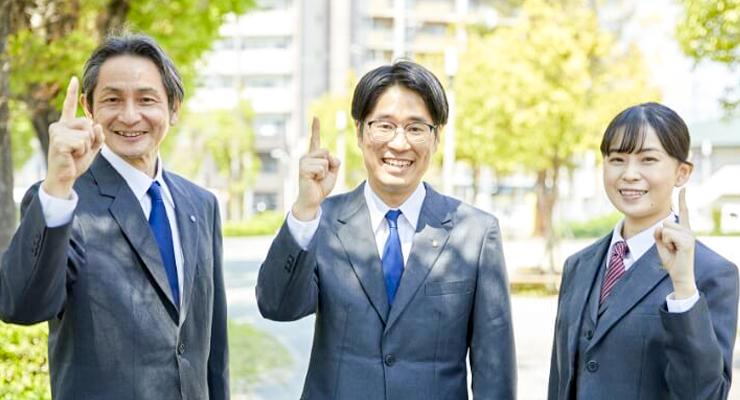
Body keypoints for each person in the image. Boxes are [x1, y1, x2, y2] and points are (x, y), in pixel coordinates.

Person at [256, 60, 516, 399]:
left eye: (415, 128)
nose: (399, 143)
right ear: (360, 132)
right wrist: (305, 209)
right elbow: (276, 306)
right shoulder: (323, 221)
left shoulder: (475, 233)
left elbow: (494, 371)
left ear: (436, 138)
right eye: (384, 126)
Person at [0, 33, 229, 399]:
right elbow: (21, 306)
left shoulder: (200, 205)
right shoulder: (64, 201)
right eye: (112, 99)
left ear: (173, 108)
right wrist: (58, 186)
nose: (130, 115)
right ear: (89, 109)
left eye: (146, 99)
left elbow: (213, 348)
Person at [548, 102, 738, 399]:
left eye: (648, 159)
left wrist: (684, 287)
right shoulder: (579, 265)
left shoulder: (711, 273)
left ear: (682, 172)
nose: (629, 174)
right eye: (617, 159)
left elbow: (705, 394)